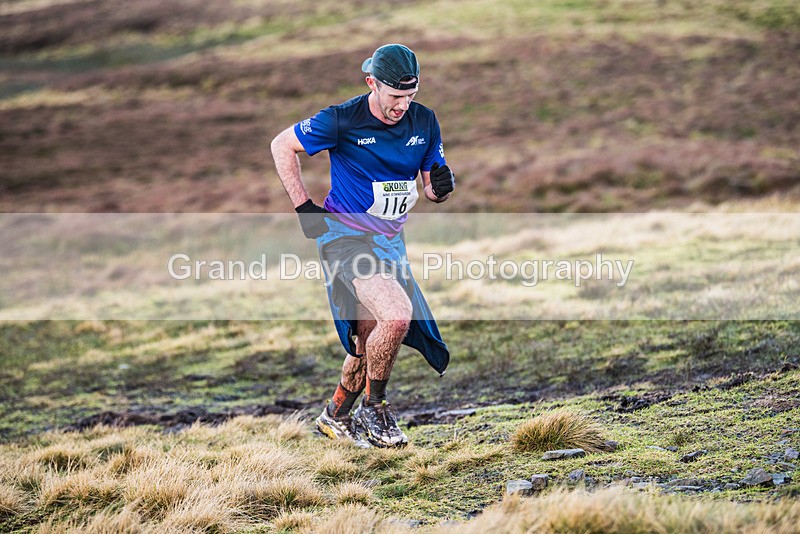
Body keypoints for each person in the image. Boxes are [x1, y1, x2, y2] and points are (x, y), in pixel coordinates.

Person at [270, 44, 455, 448]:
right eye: (394, 97)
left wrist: (439, 189)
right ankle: (375, 409)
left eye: (410, 96)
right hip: (345, 238)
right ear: (372, 83)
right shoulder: (342, 119)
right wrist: (304, 207)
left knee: (367, 338)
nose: (402, 105)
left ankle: (335, 415)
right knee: (396, 316)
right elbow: (281, 145)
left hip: (391, 242)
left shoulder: (424, 121)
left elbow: (429, 185)